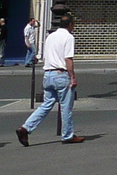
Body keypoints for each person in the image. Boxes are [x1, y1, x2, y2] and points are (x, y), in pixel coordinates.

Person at [18, 16, 83, 145]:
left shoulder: (51, 36)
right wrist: (73, 77)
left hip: (48, 74)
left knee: (46, 105)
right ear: (70, 24)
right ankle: (68, 135)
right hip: (61, 74)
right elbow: (68, 59)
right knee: (66, 107)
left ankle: (26, 127)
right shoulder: (69, 37)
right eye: (73, 24)